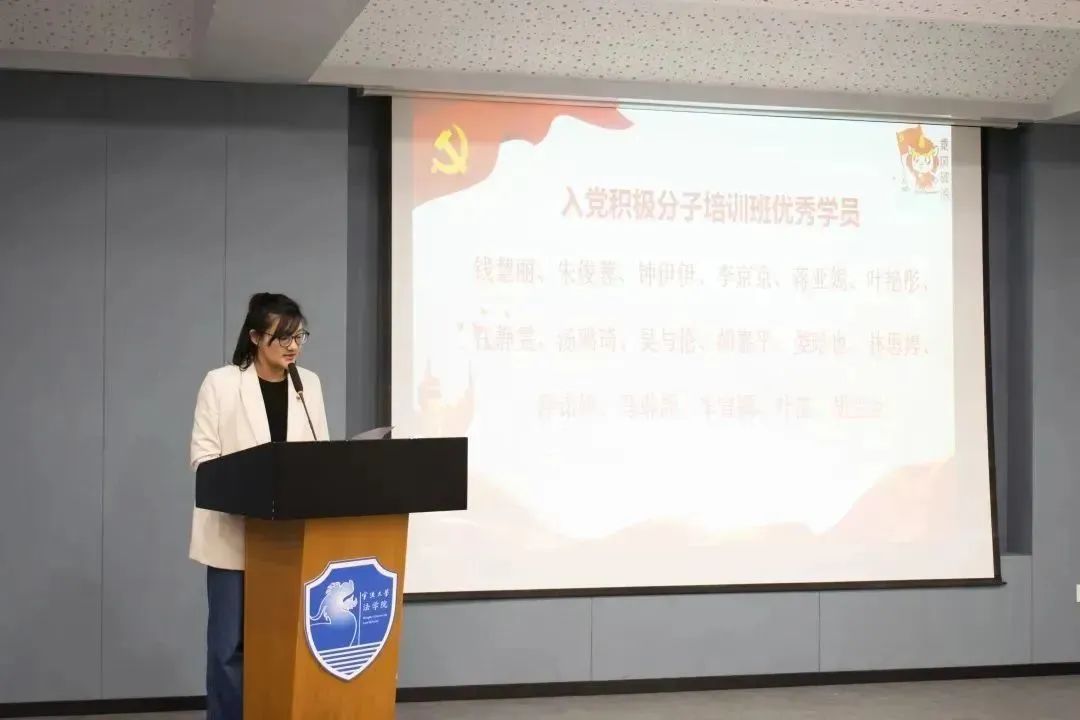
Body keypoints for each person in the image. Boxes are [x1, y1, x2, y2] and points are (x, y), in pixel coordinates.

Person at [188, 293, 330, 720]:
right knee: (229, 647)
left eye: (299, 336)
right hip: (235, 534)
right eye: (282, 337)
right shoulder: (221, 383)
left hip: (290, 538)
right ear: (254, 337)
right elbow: (203, 458)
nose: (293, 346)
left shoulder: (309, 385)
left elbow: (320, 455)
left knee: (284, 643)